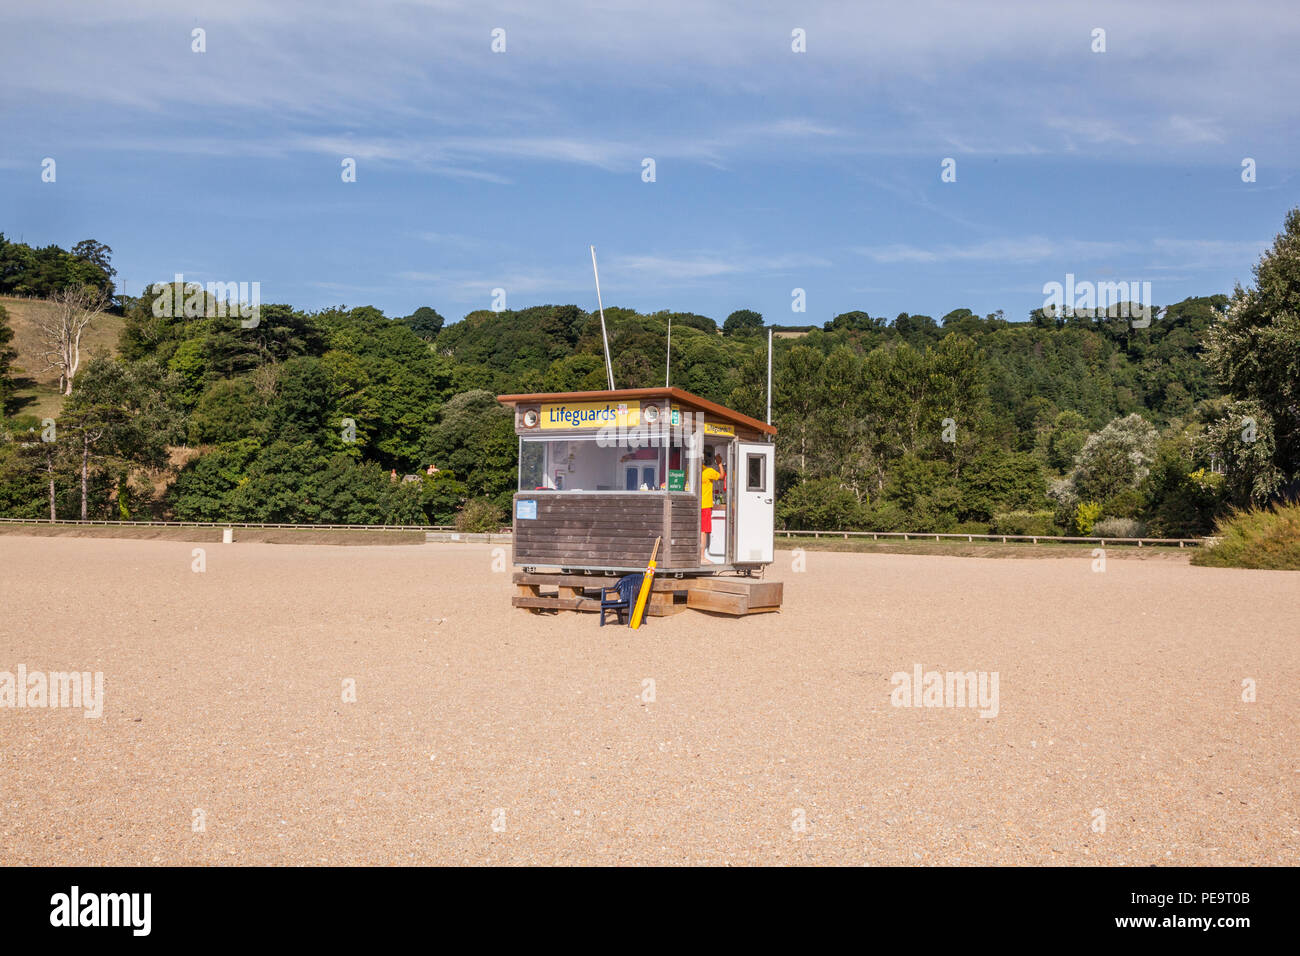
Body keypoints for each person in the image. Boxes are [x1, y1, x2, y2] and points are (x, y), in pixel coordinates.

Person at [700, 446, 725, 562]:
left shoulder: (690, 471)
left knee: (696, 530)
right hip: (704, 505)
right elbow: (722, 476)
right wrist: (719, 463)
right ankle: (701, 557)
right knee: (703, 532)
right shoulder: (708, 472)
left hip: (694, 505)